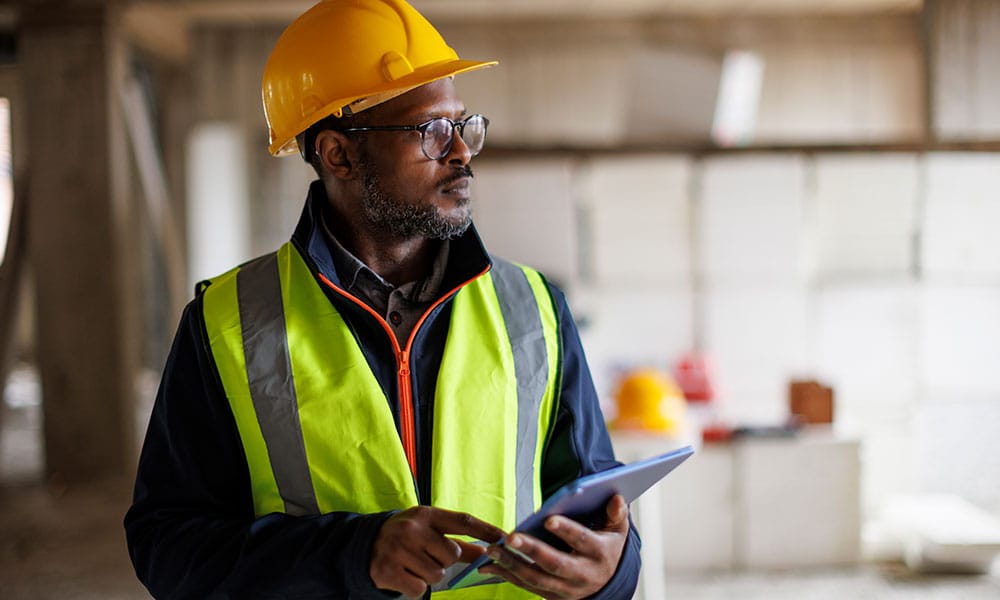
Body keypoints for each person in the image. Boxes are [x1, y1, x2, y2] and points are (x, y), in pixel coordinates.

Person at [124, 1, 641, 598]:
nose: (462, 153)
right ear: (339, 154)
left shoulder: (536, 308)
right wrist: (353, 555)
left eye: (463, 125)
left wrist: (612, 571)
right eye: (431, 132)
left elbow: (597, 509)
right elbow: (168, 547)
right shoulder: (227, 323)